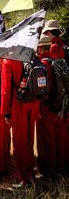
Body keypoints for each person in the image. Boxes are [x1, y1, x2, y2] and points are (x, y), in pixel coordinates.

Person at [0, 56, 40, 185]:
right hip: (34, 102)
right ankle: (31, 173)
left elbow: (5, 89)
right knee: (29, 139)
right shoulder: (33, 57)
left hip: (18, 103)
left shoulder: (9, 61)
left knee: (20, 141)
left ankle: (25, 178)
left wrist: (5, 111)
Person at [36, 35, 67, 179]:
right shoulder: (60, 62)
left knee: (47, 140)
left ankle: (49, 171)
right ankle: (61, 168)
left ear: (41, 48)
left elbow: (42, 90)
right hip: (62, 106)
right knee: (60, 139)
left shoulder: (43, 66)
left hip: (47, 108)